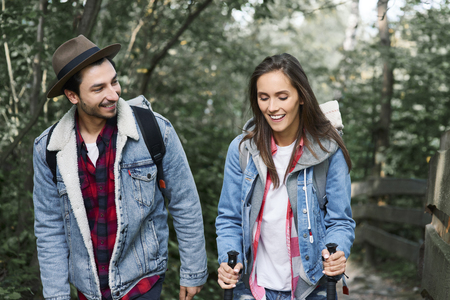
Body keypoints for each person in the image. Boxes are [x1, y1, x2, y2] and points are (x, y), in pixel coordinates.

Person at [33, 35, 208, 300]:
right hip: (87, 289)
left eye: (114, 81)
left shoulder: (154, 129)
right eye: (98, 88)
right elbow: (49, 229)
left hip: (142, 282)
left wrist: (193, 272)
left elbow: (185, 203)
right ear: (72, 96)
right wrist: (57, 295)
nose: (114, 93)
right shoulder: (48, 149)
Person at [215, 53, 355, 300]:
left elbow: (340, 221)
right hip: (253, 288)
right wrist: (228, 258)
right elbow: (229, 218)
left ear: (301, 96)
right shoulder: (242, 150)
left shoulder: (328, 150)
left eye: (282, 97)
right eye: (263, 97)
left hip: (310, 287)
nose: (272, 107)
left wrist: (337, 253)